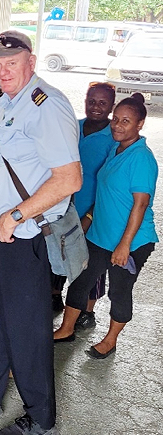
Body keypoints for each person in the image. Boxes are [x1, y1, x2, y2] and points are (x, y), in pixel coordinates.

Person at [0, 31, 82, 435]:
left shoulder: (47, 106)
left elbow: (69, 179)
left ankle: (41, 420)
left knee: (26, 330)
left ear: (32, 61)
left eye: (11, 63)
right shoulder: (7, 100)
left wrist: (15, 216)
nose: (2, 71)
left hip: (26, 238)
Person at [53, 93, 158, 359]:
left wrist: (124, 245)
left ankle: (110, 340)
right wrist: (89, 218)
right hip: (101, 233)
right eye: (117, 120)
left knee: (119, 291)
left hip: (132, 241)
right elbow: (107, 193)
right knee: (80, 281)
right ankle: (66, 329)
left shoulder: (142, 158)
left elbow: (140, 205)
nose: (118, 126)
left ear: (140, 124)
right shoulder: (116, 148)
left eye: (126, 121)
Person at [51, 82, 116, 322]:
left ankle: (87, 310)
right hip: (63, 205)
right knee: (58, 249)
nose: (96, 107)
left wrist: (90, 214)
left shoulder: (114, 136)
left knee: (91, 261)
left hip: (95, 209)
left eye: (102, 103)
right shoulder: (72, 127)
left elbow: (112, 183)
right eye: (92, 101)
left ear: (112, 105)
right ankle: (55, 294)